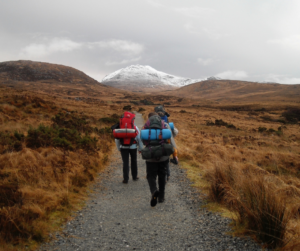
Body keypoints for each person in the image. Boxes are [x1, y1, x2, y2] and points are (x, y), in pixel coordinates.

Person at [142, 112, 176, 207]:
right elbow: (171, 138)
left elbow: (142, 139)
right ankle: (161, 197)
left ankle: (154, 191)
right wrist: (175, 154)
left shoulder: (146, 126)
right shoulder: (165, 124)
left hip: (150, 155)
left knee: (151, 176)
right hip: (163, 155)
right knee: (162, 175)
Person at [115, 113, 143, 184]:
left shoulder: (120, 127)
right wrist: (140, 148)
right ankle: (134, 176)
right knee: (134, 161)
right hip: (133, 146)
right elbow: (139, 138)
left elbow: (117, 139)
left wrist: (119, 148)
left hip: (123, 147)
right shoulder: (135, 127)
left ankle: (125, 179)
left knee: (125, 162)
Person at [157, 111, 179, 182]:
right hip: (167, 144)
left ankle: (161, 176)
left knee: (159, 161)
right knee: (166, 161)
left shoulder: (155, 124)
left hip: (158, 144)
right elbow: (175, 133)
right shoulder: (168, 125)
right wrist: (175, 154)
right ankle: (167, 176)